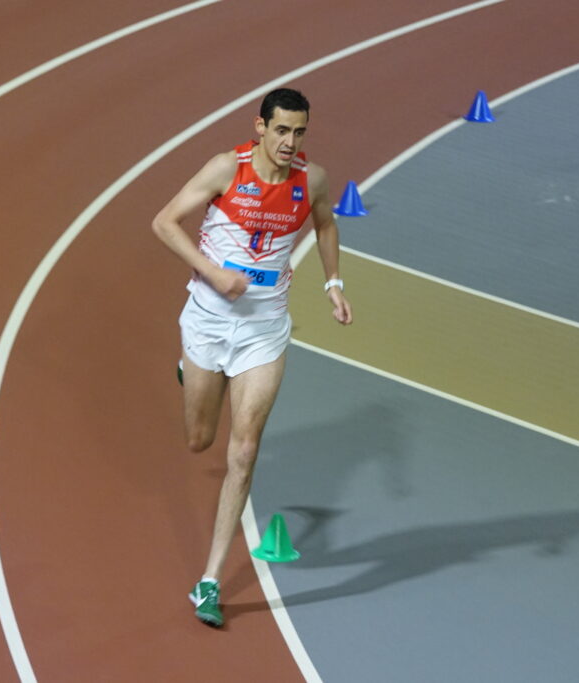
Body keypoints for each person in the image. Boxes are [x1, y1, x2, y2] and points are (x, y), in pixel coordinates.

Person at [151, 88, 352, 627]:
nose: (291, 142)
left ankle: (209, 581)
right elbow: (164, 222)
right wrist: (213, 273)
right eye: (282, 130)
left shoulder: (312, 180)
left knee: (243, 449)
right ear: (260, 127)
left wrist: (332, 282)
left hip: (264, 332)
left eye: (300, 132)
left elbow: (327, 222)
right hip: (209, 322)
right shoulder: (225, 168)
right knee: (200, 440)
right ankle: (190, 371)